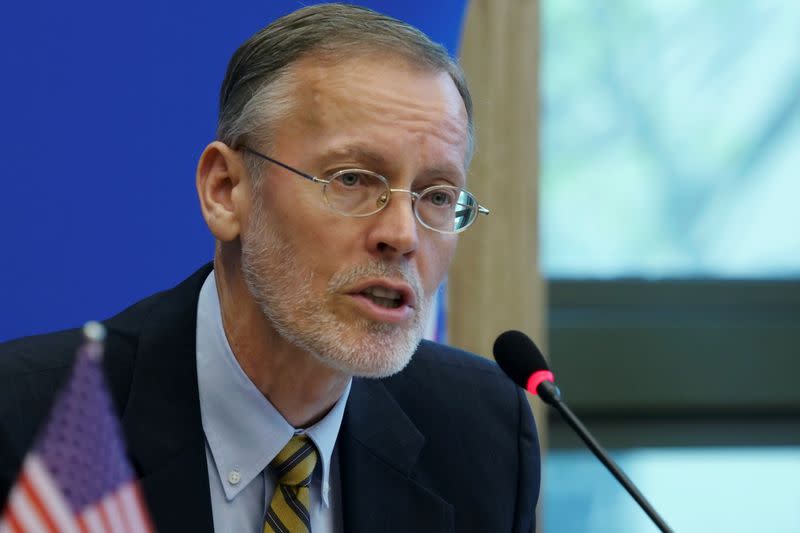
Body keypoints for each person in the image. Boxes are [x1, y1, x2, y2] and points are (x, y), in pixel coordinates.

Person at [0, 4, 540, 532]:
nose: (401, 235)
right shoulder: (28, 422)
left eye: (438, 196)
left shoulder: (483, 432)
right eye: (351, 180)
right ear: (226, 191)